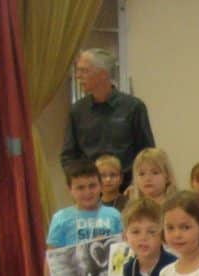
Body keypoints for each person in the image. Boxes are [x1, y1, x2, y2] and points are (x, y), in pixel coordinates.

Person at [61, 48, 154, 187]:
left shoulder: (133, 107)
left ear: (103, 74)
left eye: (84, 71)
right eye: (78, 70)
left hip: (127, 189)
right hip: (90, 190)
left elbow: (147, 152)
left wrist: (137, 184)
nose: (78, 76)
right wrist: (79, 182)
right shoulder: (77, 110)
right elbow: (69, 155)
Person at [120, 198, 175, 276]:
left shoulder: (173, 267)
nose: (143, 238)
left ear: (162, 235)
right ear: (125, 237)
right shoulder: (129, 269)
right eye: (135, 232)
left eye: (151, 232)